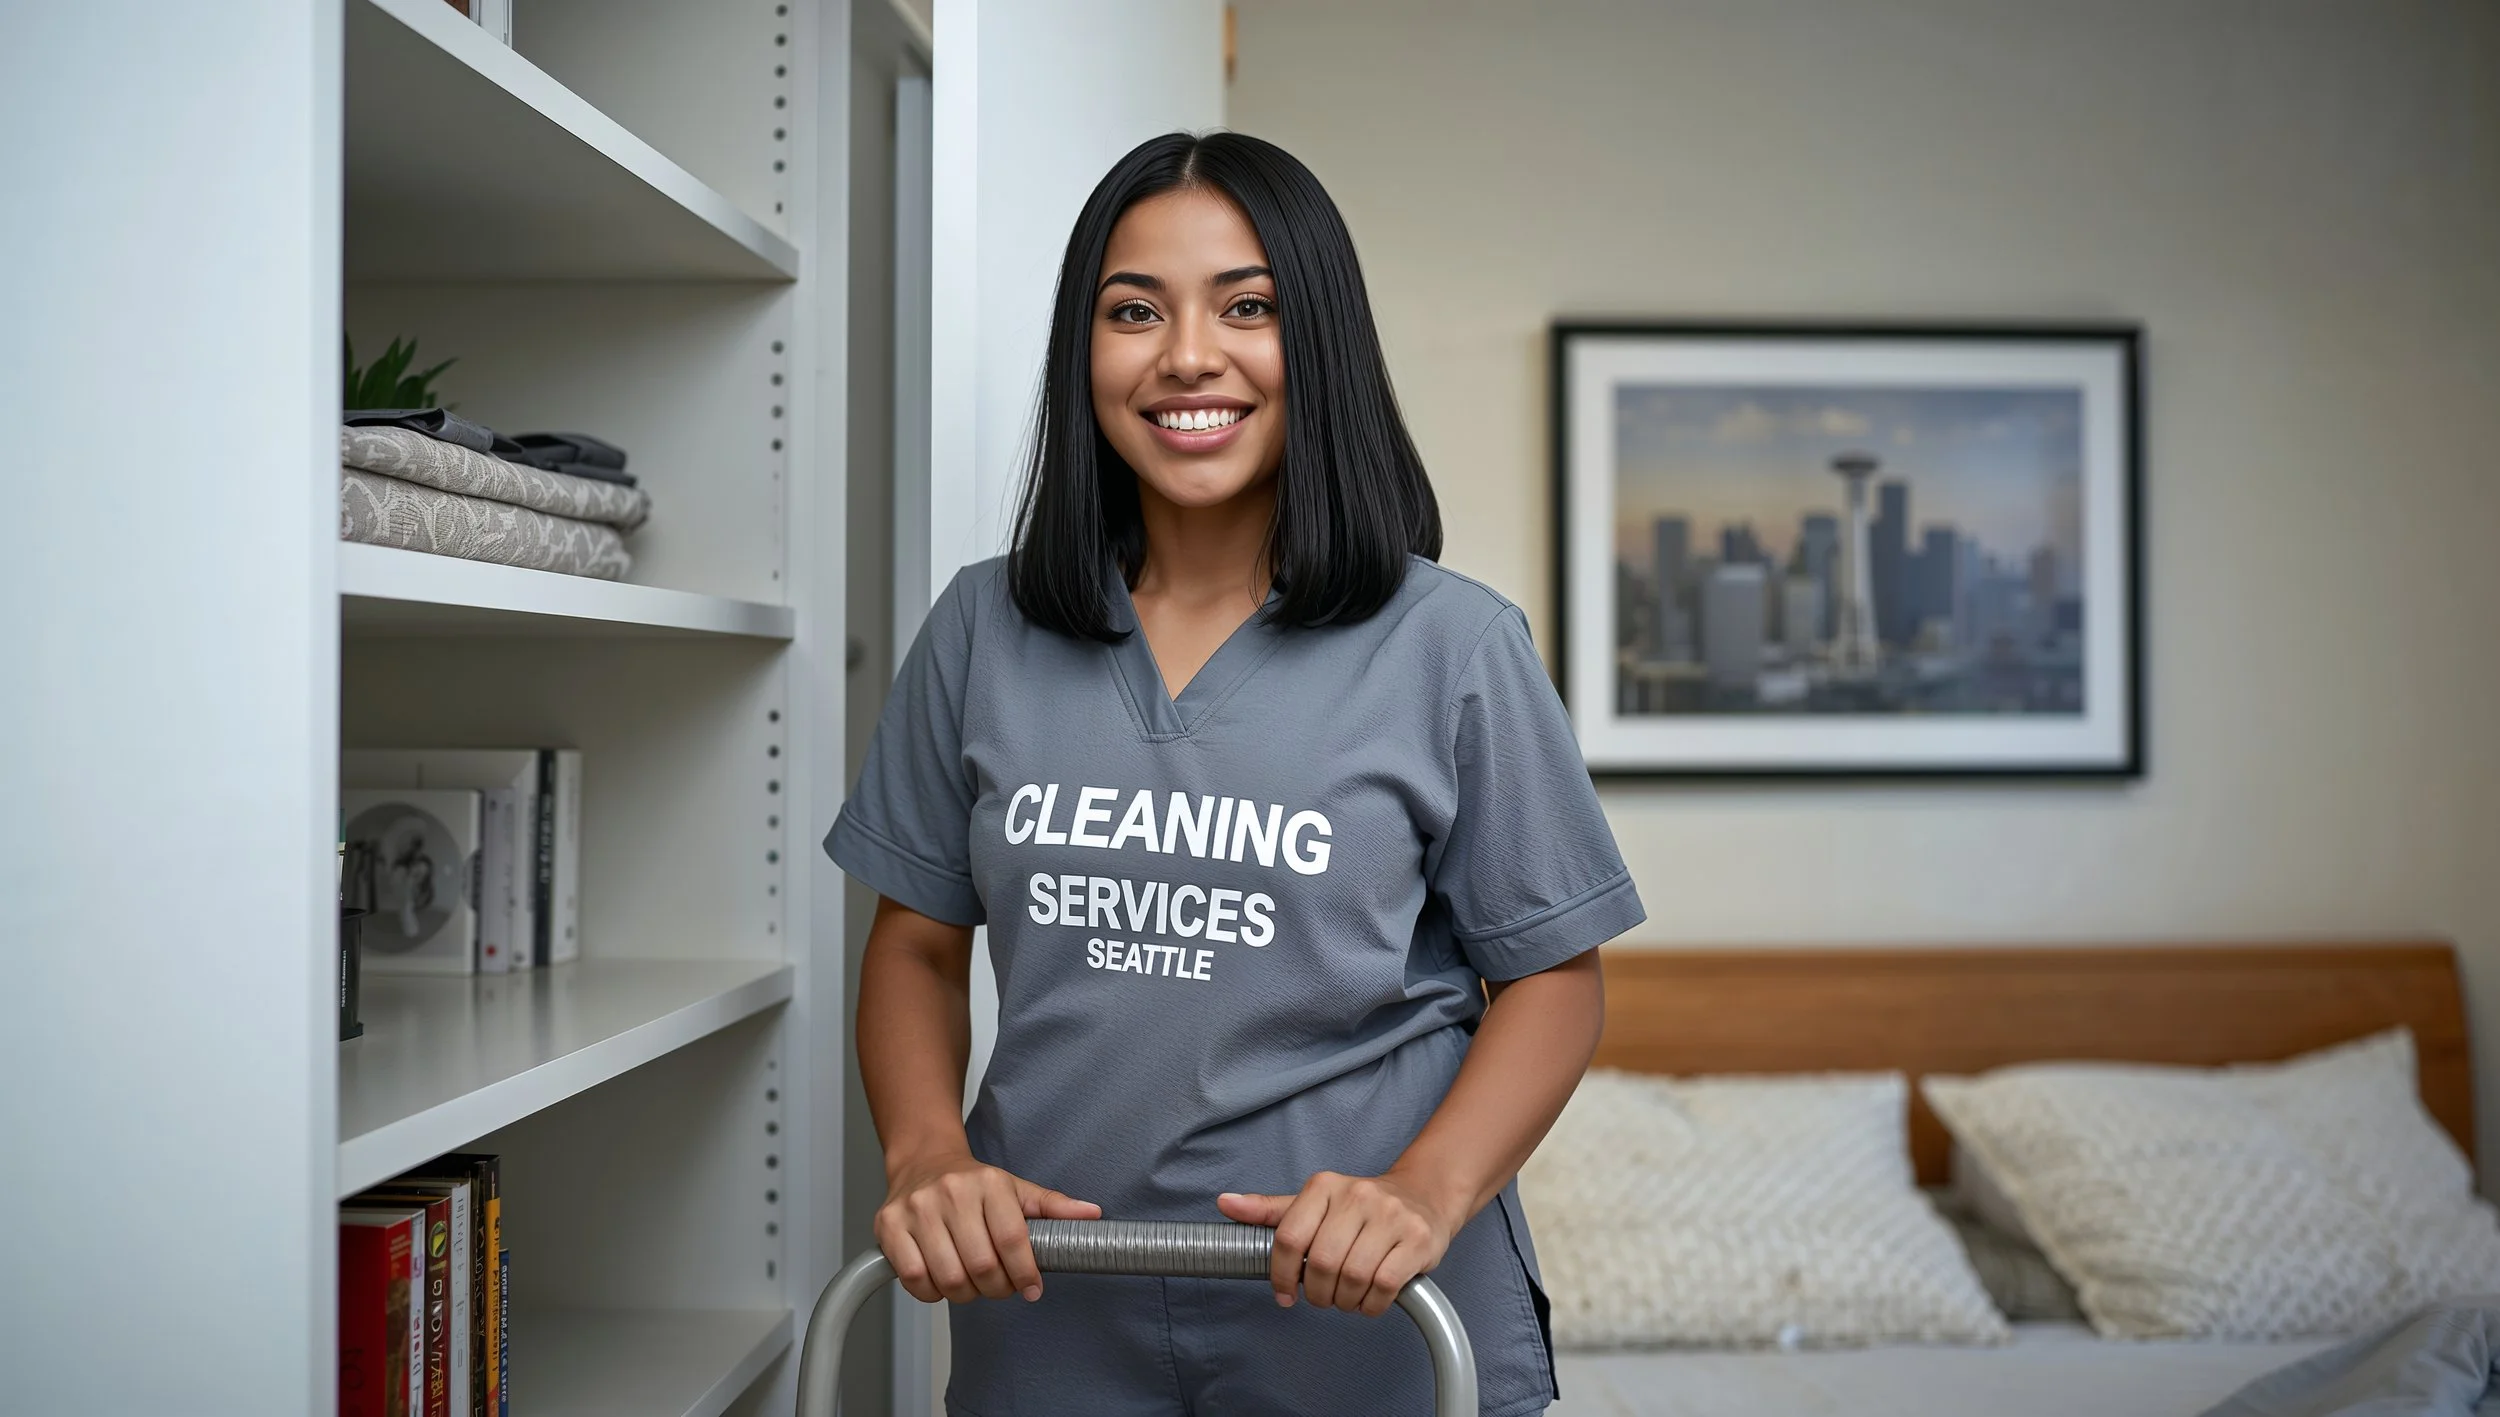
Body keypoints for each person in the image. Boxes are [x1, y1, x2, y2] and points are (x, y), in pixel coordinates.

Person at [827, 130, 1643, 1417]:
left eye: (1246, 307)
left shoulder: (1452, 645)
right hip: (1052, 1305)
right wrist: (926, 1153)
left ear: (1315, 340)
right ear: (1080, 352)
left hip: (1366, 1325)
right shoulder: (982, 630)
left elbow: (1551, 976)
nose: (1187, 356)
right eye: (1132, 310)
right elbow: (916, 945)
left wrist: (1420, 1193)